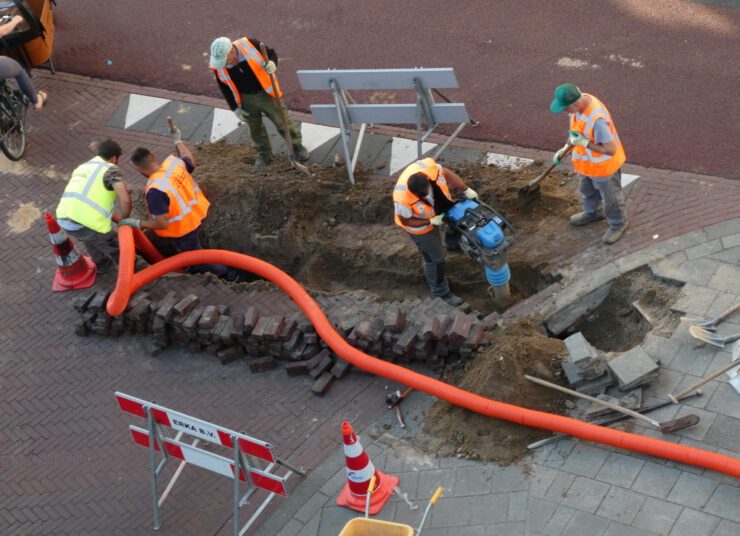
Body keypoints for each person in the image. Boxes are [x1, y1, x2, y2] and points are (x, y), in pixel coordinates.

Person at [120, 128, 240, 282]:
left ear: (139, 169)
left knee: (196, 254)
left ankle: (228, 274)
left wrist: (137, 223)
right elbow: (189, 159)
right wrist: (178, 141)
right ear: (153, 156)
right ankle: (190, 263)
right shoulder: (173, 163)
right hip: (196, 213)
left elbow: (161, 223)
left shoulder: (155, 191)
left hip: (183, 228)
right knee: (189, 251)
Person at [209, 36, 309, 168]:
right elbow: (224, 87)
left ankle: (296, 145)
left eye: (226, 60)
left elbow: (271, 54)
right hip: (245, 99)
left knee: (282, 120)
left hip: (266, 93)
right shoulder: (218, 65)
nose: (224, 64)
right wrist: (234, 108)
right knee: (255, 128)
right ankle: (264, 153)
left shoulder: (249, 44)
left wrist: (273, 64)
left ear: (232, 51)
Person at [393, 158, 478, 306]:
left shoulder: (429, 168)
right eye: (421, 196)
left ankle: (453, 243)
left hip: (440, 204)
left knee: (456, 220)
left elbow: (446, 173)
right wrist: (431, 221)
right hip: (420, 225)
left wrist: (465, 189)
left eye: (425, 193)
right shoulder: (402, 199)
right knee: (436, 259)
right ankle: (441, 292)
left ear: (428, 180)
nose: (424, 197)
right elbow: (406, 221)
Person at [550, 83, 628, 244]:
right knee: (587, 190)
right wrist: (565, 148)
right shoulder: (578, 105)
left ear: (576, 104)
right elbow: (575, 132)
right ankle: (592, 213)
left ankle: (619, 223)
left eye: (565, 108)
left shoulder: (596, 119)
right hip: (586, 165)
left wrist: (585, 143)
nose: (564, 112)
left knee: (611, 198)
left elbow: (610, 149)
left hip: (603, 168)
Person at [55, 139, 132, 274]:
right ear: (114, 158)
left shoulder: (84, 166)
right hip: (84, 221)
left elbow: (92, 198)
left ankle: (101, 263)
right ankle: (134, 272)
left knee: (90, 238)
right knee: (114, 245)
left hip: (65, 218)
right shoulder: (110, 169)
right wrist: (125, 220)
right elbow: (125, 199)